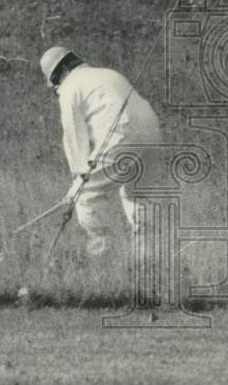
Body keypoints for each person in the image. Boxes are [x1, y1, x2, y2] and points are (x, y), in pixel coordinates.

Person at [39, 46, 162, 258]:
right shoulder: (108, 73)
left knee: (85, 195)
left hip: (123, 133)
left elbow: (75, 138)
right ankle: (147, 260)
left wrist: (76, 185)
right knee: (138, 196)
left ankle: (103, 256)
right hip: (152, 130)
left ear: (61, 73)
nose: (57, 88)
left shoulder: (69, 88)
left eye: (55, 83)